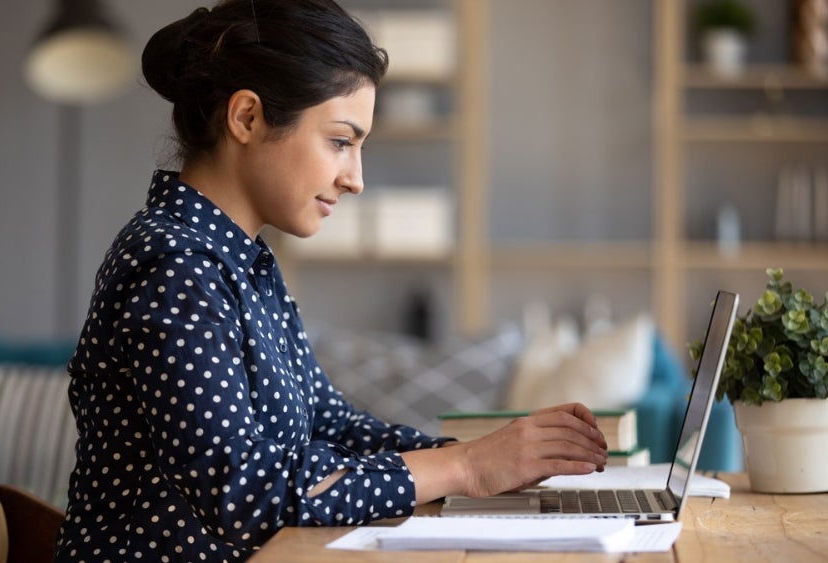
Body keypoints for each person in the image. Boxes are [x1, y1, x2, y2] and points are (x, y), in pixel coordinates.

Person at [53, 1, 608, 561]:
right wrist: (462, 466)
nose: (356, 179)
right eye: (341, 141)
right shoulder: (175, 265)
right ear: (246, 118)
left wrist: (484, 457)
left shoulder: (240, 261)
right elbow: (243, 492)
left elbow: (328, 422)